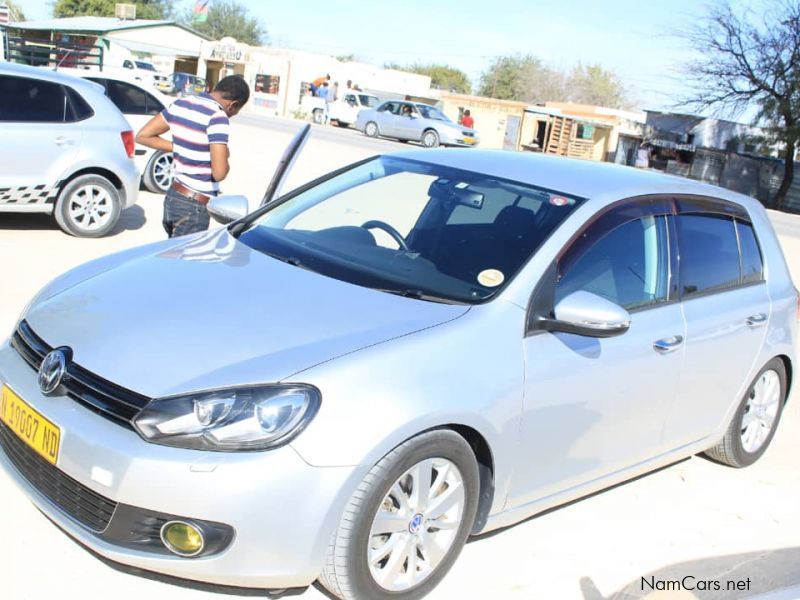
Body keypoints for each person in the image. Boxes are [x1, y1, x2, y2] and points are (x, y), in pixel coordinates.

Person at [136, 75, 250, 238]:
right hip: (193, 207)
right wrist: (225, 155)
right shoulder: (217, 117)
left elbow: (143, 136)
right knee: (184, 262)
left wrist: (181, 147)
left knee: (173, 257)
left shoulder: (181, 104)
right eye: (235, 112)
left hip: (173, 197)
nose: (231, 115)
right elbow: (219, 173)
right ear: (233, 104)